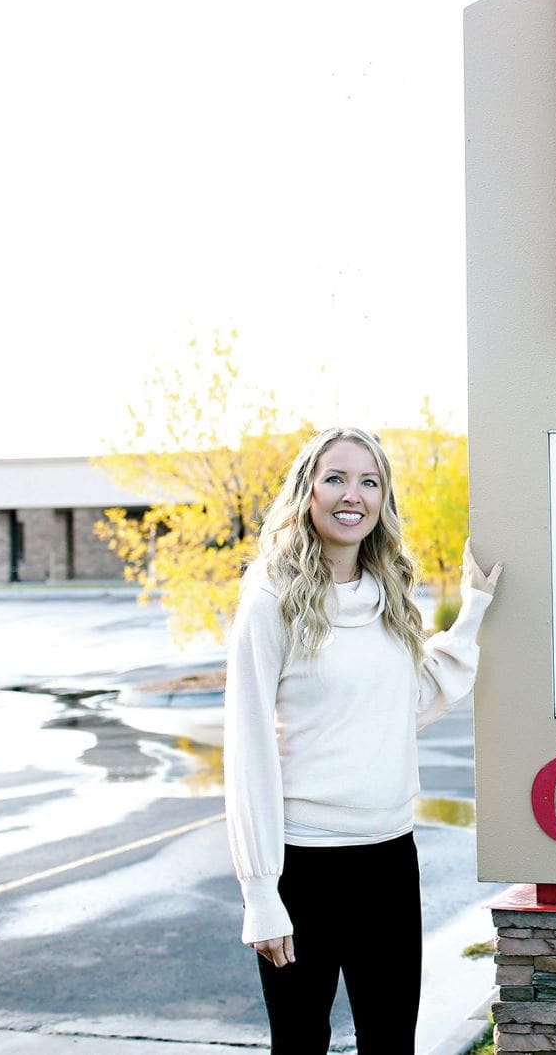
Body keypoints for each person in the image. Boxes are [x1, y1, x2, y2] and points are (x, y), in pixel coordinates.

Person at [223, 426, 500, 1054]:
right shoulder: (270, 597)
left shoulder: (389, 594)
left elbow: (405, 703)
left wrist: (474, 611)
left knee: (391, 1044)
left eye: (369, 482)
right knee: (300, 1044)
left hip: (389, 857)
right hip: (304, 865)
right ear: (308, 493)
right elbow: (247, 749)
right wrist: (260, 891)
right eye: (336, 479)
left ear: (382, 499)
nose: (354, 495)